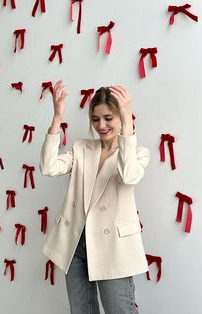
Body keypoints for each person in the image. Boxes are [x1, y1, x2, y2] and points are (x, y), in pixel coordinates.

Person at [39, 79, 150, 314]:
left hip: (113, 248)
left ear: (121, 116)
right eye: (96, 119)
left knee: (120, 310)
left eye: (109, 118)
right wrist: (57, 118)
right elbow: (48, 167)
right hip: (77, 244)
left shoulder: (137, 153)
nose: (101, 125)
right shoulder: (81, 148)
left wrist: (128, 122)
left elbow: (128, 176)